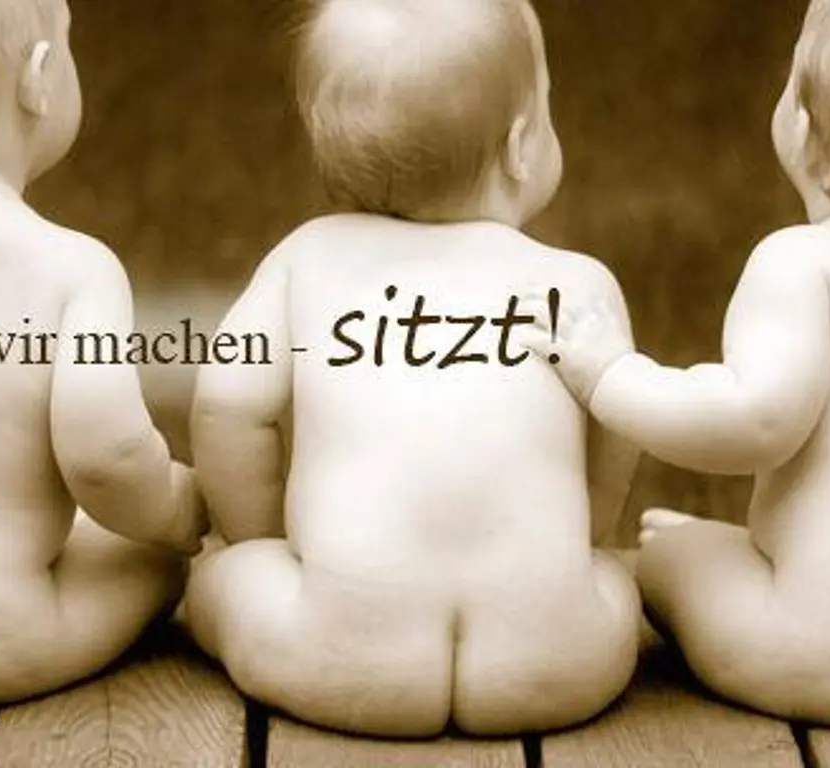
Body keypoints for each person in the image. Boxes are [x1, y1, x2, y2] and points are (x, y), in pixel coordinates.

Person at [184, 0, 641, 737]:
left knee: (216, 579)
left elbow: (226, 401)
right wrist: (588, 540)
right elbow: (620, 426)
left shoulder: (308, 259)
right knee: (618, 579)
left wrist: (259, 540)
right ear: (520, 146)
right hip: (554, 665)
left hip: (341, 660)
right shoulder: (578, 285)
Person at [523, 0, 830, 729]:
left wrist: (611, 375)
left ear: (805, 134)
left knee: (667, 557)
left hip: (822, 652)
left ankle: (701, 558)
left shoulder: (809, 265)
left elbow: (754, 422)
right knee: (719, 545)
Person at [0, 0, 207, 713]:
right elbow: (108, 459)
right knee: (154, 562)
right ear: (40, 77)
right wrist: (180, 510)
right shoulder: (70, 269)